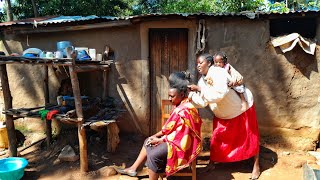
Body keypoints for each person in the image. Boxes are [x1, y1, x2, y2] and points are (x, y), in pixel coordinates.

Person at [114, 72, 202, 180]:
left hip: (181, 145)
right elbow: (169, 128)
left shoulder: (185, 110)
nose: (170, 99)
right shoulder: (180, 105)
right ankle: (133, 168)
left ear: (182, 95)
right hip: (174, 139)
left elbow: (181, 134)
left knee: (154, 155)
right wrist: (155, 136)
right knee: (148, 141)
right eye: (169, 96)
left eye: (172, 96)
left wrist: (161, 140)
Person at [188, 53, 260, 180]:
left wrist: (199, 89)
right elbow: (203, 102)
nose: (198, 65)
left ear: (209, 63)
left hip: (240, 110)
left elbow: (219, 95)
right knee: (216, 139)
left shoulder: (219, 73)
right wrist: (190, 97)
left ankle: (256, 165)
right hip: (222, 114)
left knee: (249, 137)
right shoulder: (202, 80)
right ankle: (212, 163)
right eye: (197, 63)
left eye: (201, 63)